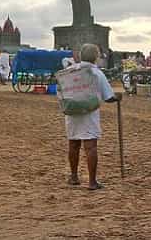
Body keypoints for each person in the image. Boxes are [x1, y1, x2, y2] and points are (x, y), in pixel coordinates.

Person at [64, 44, 118, 191]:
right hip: (89, 112)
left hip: (72, 111)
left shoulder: (69, 70)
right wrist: (117, 98)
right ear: (95, 57)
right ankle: (92, 182)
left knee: (73, 144)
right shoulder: (96, 73)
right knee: (90, 147)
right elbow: (108, 97)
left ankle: (74, 176)